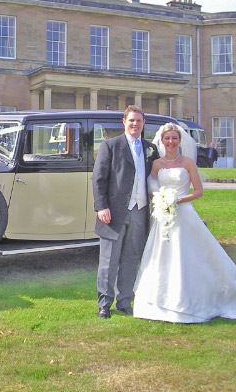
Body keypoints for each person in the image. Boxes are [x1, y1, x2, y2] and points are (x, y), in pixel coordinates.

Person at [133, 123, 236, 323]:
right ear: (162, 140)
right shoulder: (157, 164)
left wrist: (177, 200)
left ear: (180, 141)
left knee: (189, 256)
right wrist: (161, 198)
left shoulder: (187, 163)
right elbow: (151, 185)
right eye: (167, 138)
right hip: (163, 216)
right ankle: (162, 300)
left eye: (174, 138)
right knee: (163, 256)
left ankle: (197, 300)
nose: (170, 142)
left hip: (184, 214)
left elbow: (198, 191)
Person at [92, 105, 158, 319]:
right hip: (114, 211)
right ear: (124, 122)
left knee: (131, 258)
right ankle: (104, 303)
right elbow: (99, 178)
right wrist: (101, 206)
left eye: (139, 121)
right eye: (131, 120)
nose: (135, 124)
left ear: (143, 123)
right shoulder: (110, 146)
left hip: (140, 211)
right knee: (109, 261)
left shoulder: (150, 149)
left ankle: (124, 301)